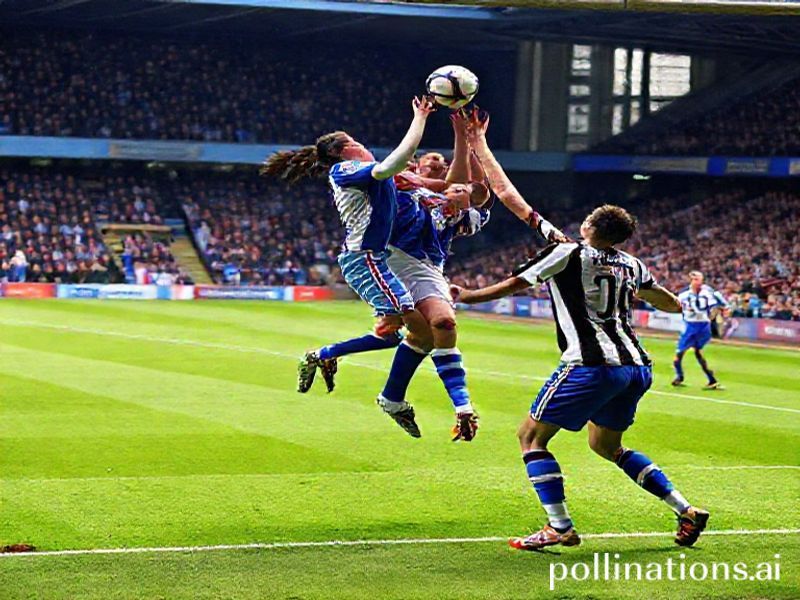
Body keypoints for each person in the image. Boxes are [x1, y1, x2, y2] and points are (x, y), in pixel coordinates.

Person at [451, 204, 709, 550]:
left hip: (590, 365)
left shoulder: (566, 253)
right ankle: (685, 509)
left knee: (530, 438)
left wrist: (467, 296)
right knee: (606, 446)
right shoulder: (632, 264)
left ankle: (559, 526)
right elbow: (672, 304)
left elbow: (517, 283)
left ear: (589, 225)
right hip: (636, 368)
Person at [261, 96, 437, 436]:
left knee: (391, 337)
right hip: (364, 259)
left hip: (372, 259)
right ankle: (391, 398)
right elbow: (391, 165)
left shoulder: (369, 175)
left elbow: (421, 182)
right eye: (356, 142)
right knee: (421, 330)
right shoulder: (344, 170)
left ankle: (325, 355)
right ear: (345, 151)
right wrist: (420, 117)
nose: (363, 145)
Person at [672, 271, 729, 390]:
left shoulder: (707, 292)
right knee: (684, 354)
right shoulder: (684, 294)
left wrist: (711, 318)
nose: (699, 282)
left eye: (700, 279)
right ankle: (684, 377)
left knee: (691, 352)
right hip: (690, 326)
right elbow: (677, 307)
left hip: (702, 327)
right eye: (696, 279)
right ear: (691, 280)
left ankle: (682, 377)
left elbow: (717, 307)